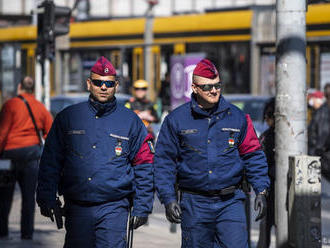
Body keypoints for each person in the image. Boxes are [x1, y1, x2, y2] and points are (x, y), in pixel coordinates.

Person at [36, 56, 154, 247]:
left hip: (114, 207)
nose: (103, 87)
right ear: (89, 84)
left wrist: (143, 206)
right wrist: (46, 196)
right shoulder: (68, 117)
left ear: (116, 85)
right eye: (98, 83)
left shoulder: (131, 121)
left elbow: (144, 165)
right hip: (77, 207)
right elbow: (51, 160)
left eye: (109, 83)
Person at [154, 59, 270, 248]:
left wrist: (261, 190)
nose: (213, 91)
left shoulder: (238, 117)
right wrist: (168, 198)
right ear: (194, 88)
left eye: (217, 86)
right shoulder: (176, 120)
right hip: (195, 204)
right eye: (207, 87)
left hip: (230, 202)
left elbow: (253, 155)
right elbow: (164, 162)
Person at [0, 76, 53, 240]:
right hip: (31, 158)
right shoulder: (40, 107)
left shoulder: (10, 105)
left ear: (19, 87)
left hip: (8, 158)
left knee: (4, 196)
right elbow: (50, 132)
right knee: (29, 197)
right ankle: (27, 233)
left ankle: (2, 231)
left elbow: (2, 133)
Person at [257, 98, 275, 248]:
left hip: (270, 186)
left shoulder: (266, 136)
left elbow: (259, 162)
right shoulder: (266, 136)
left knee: (266, 224)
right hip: (272, 185)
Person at [308, 83, 330, 181]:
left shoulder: (319, 113)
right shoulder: (321, 113)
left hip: (321, 162)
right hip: (324, 163)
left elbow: (313, 139)